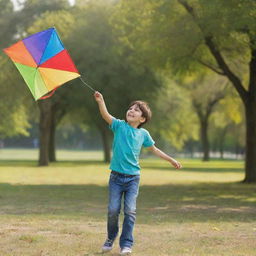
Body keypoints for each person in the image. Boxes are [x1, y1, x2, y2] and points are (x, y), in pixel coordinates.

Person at [94, 91, 182, 255]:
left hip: (133, 179)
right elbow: (106, 115)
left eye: (136, 110)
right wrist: (101, 101)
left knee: (130, 211)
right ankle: (110, 238)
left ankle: (126, 244)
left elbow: (154, 149)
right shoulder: (119, 125)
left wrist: (171, 160)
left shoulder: (143, 134)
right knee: (113, 210)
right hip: (116, 177)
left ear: (142, 119)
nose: (131, 110)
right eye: (130, 108)